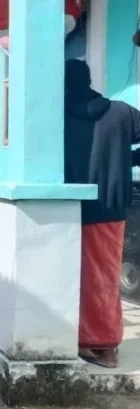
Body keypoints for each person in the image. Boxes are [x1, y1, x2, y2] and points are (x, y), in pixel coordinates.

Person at [64, 59, 140, 368]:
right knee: (104, 276)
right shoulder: (122, 113)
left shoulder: (61, 116)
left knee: (76, 276)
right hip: (110, 206)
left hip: (68, 207)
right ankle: (99, 341)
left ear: (65, 85)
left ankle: (100, 344)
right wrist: (126, 157)